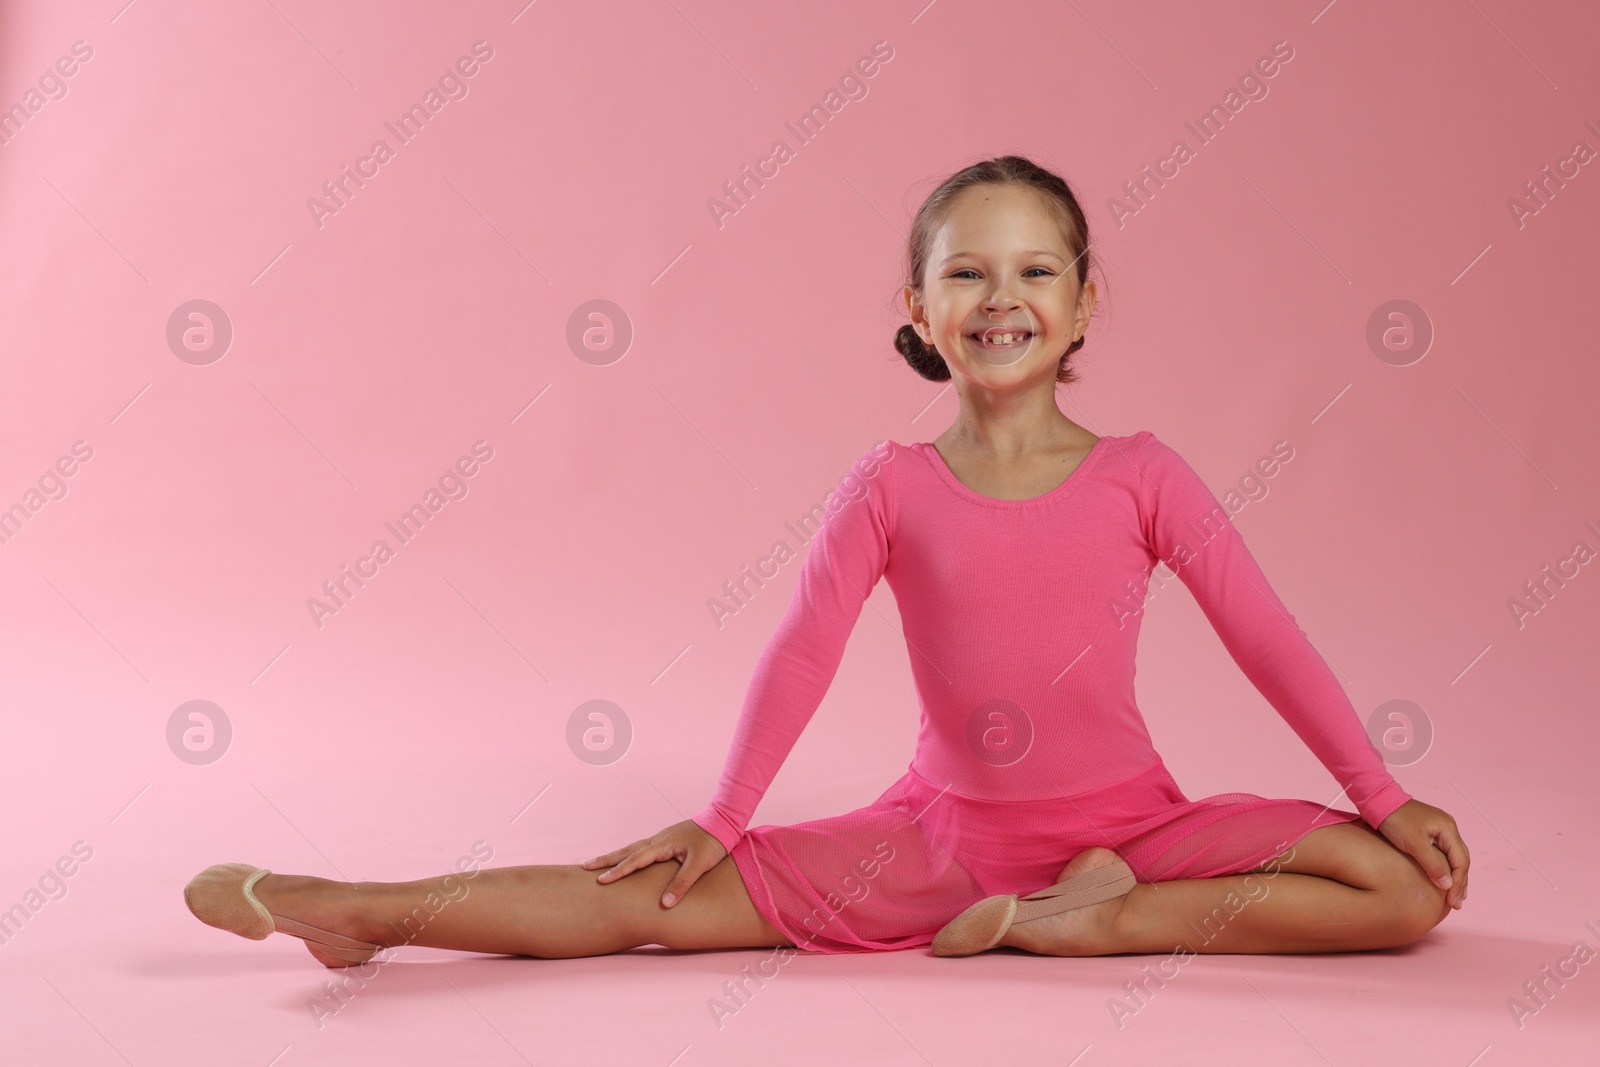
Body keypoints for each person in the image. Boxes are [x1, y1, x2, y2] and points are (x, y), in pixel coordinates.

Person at [184, 155, 1469, 967]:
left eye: (1034, 270)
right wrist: (723, 818)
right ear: (918, 310)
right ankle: (356, 902)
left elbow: (1265, 633)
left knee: (1398, 884)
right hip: (936, 842)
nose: (1000, 295)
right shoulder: (893, 483)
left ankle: (1099, 920)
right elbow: (802, 644)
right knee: (641, 896)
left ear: (1082, 304)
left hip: (1131, 830)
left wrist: (1375, 783)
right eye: (965, 271)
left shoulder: (1144, 472)